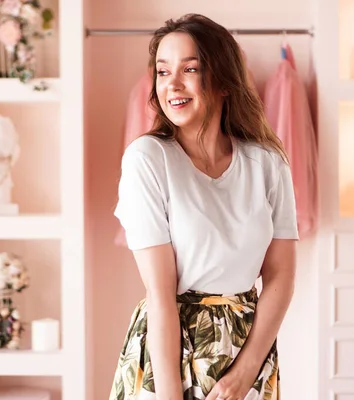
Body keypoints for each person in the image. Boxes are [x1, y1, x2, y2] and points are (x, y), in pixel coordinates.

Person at [110, 13, 299, 400]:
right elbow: (161, 295)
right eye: (163, 72)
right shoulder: (148, 159)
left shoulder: (267, 163)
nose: (172, 85)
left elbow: (280, 276)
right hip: (170, 355)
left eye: (189, 69)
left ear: (224, 81)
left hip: (250, 349)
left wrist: (246, 371)